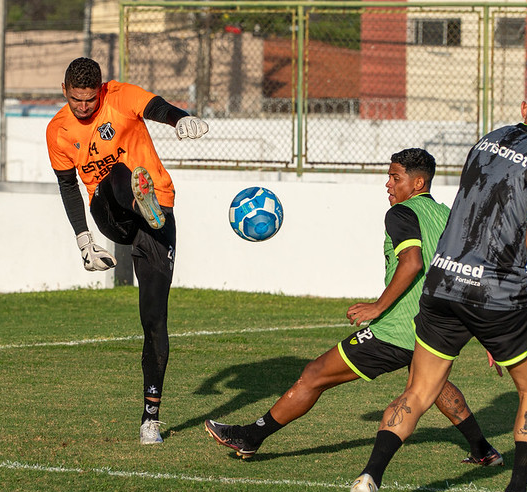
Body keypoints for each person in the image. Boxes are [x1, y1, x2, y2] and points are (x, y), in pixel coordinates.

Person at [342, 79, 527, 492]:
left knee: (419, 391)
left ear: (523, 107)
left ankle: (368, 478)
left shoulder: (487, 141)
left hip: (443, 283)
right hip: (499, 292)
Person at [204, 148, 502, 469]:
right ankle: (483, 449)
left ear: (417, 183)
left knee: (314, 375)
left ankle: (251, 435)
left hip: (398, 329)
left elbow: (411, 262)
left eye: (395, 177)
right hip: (437, 330)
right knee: (431, 384)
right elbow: (474, 273)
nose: (388, 184)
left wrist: (378, 307)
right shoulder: (450, 218)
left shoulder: (401, 214)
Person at [45, 57, 208, 445]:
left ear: (101, 90)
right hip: (111, 214)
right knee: (116, 174)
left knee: (153, 320)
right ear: (64, 91)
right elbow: (69, 186)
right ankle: (139, 203)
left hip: (158, 215)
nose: (82, 108)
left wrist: (180, 119)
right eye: (75, 100)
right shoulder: (58, 131)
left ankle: (150, 418)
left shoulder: (120, 97)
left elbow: (156, 107)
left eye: (89, 100)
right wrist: (84, 240)